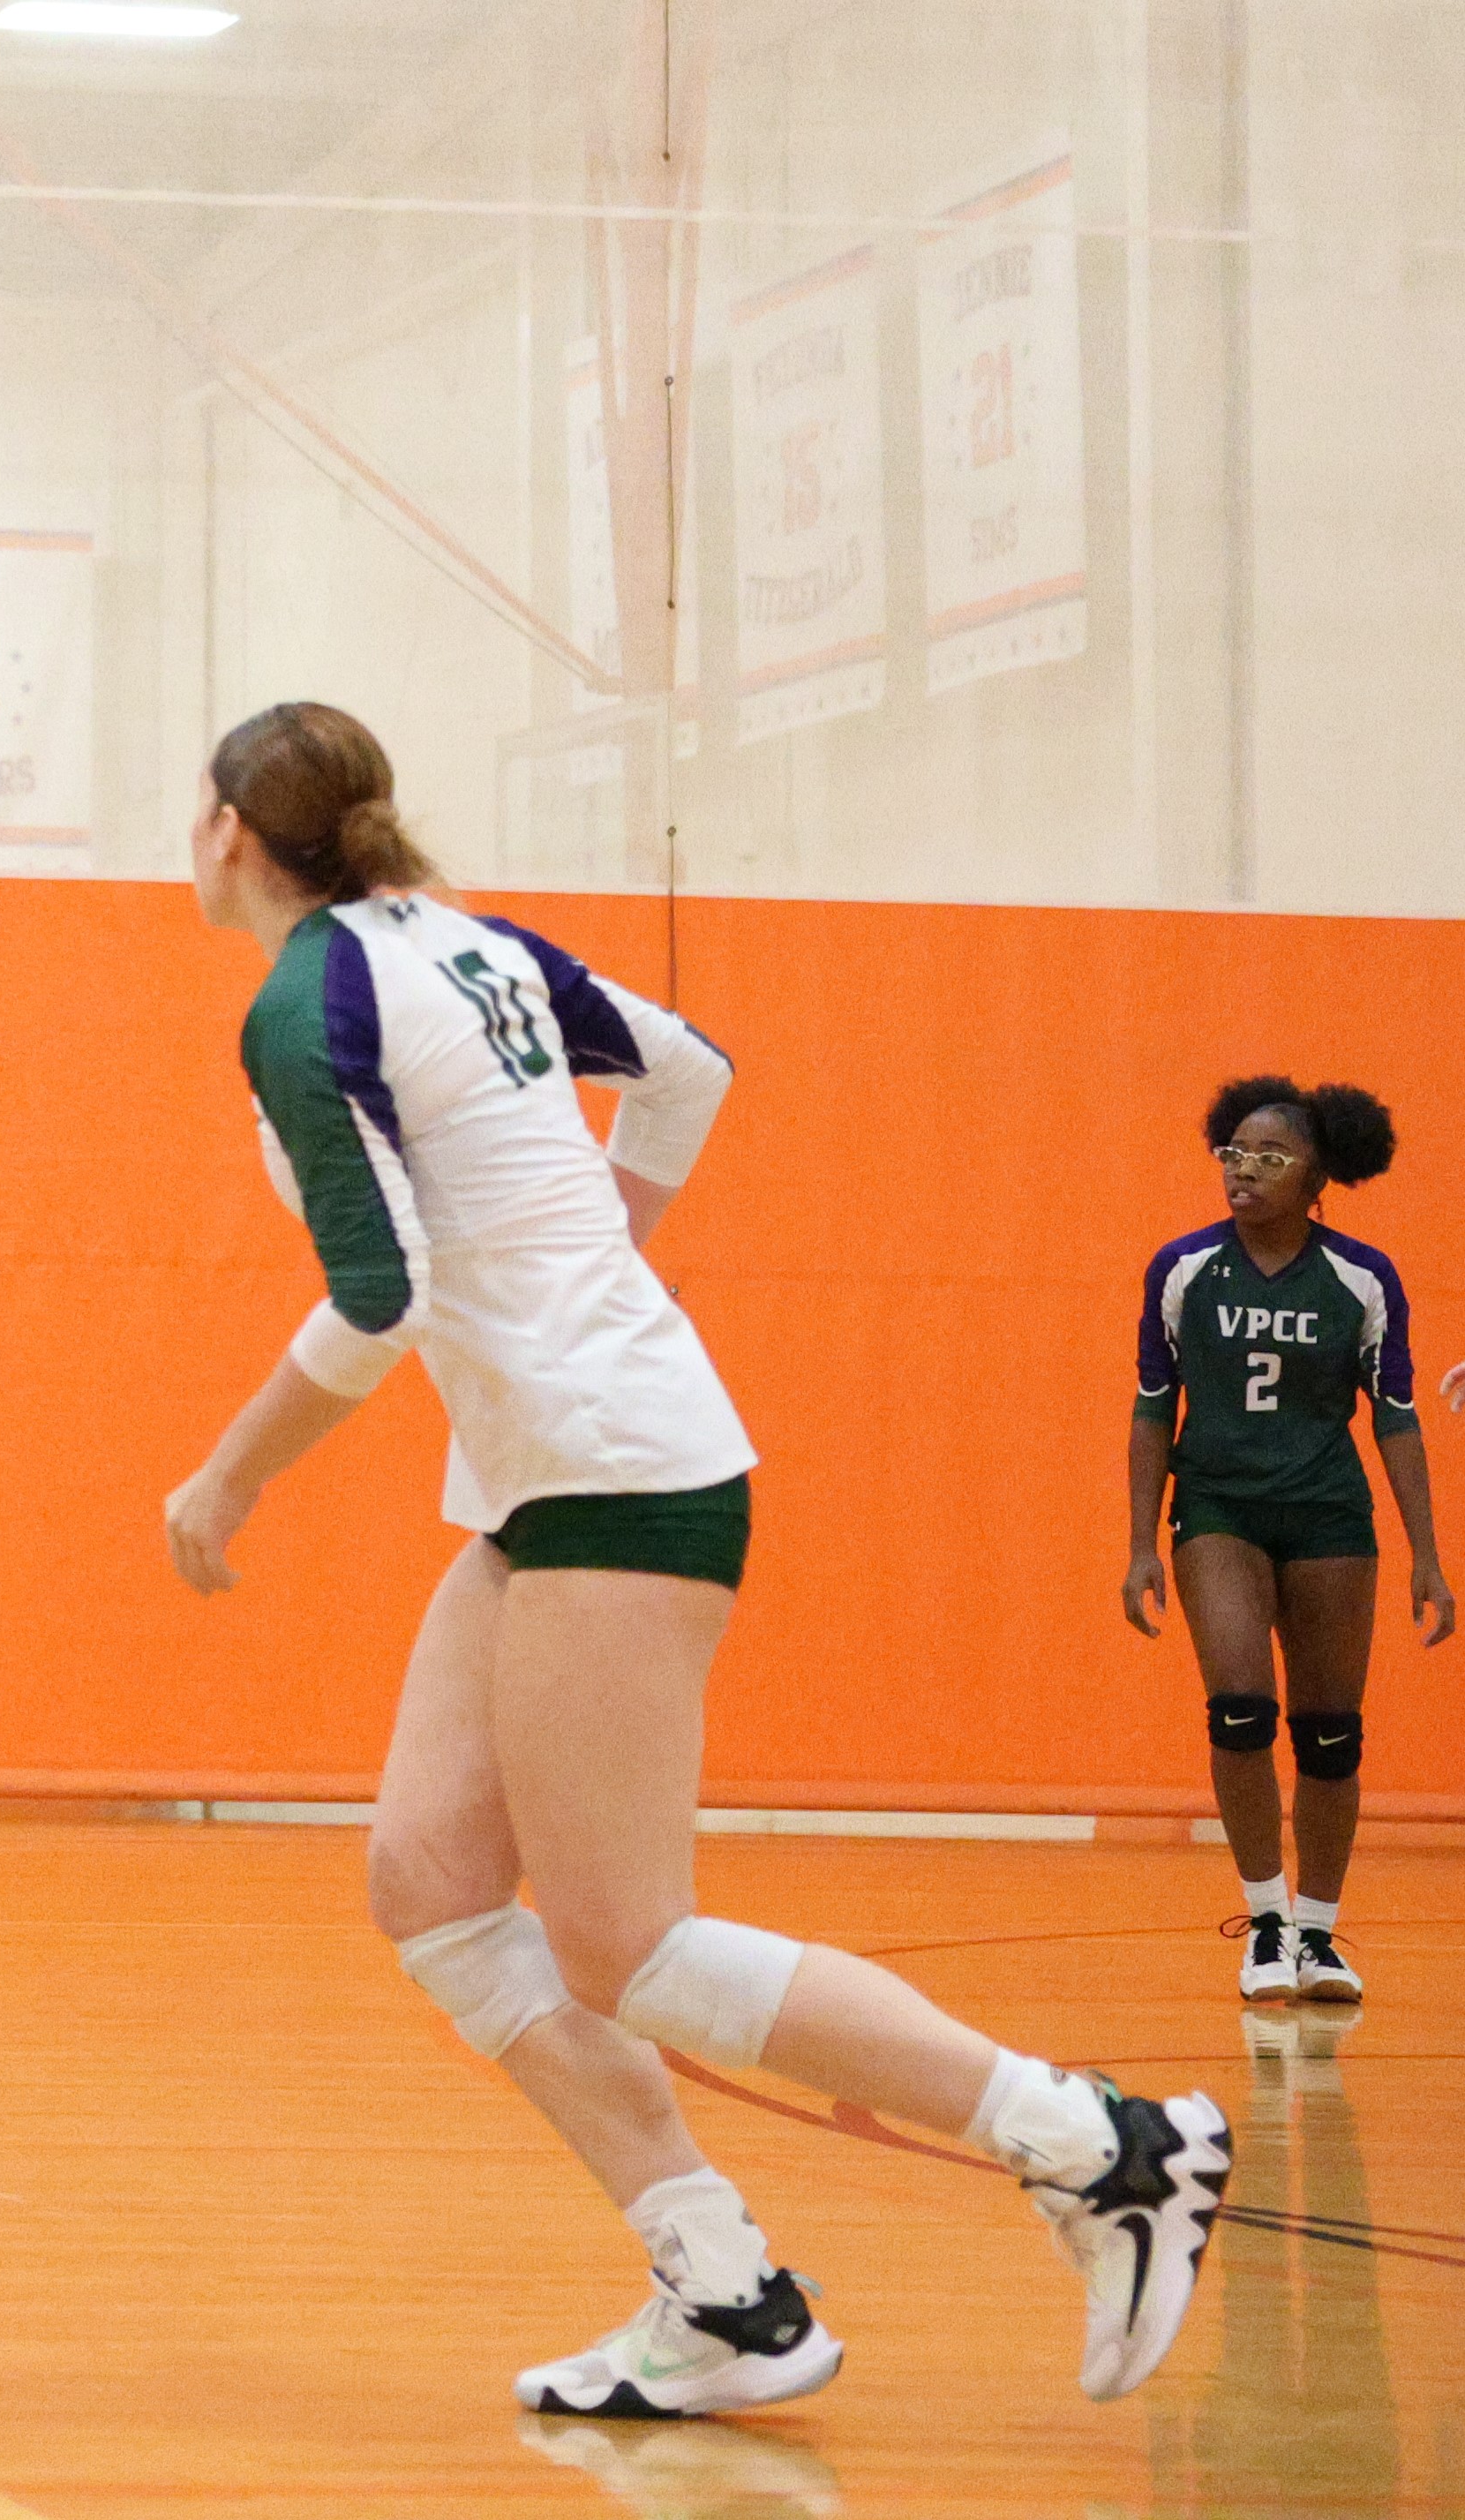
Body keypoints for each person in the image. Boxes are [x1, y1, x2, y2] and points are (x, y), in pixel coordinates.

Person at [159, 700, 1228, 2415]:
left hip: (612, 1473)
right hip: (551, 1470)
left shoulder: (305, 1000)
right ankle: (720, 2286)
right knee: (429, 1889)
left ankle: (1096, 2139)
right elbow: (687, 1063)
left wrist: (221, 1483)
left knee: (626, 1947)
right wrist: (597, 1258)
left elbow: (377, 1296)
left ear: (224, 827)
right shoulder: (461, 940)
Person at [1123, 1078, 1445, 2006]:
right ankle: (1263, 1921)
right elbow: (1152, 1406)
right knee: (1236, 1705)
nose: (1241, 1170)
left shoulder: (1359, 1276)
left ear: (1317, 1177)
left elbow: (1394, 1415)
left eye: (1266, 1156)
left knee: (1330, 1733)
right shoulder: (1182, 1267)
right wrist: (1139, 1541)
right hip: (1217, 1505)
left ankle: (1316, 1931)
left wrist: (1425, 1554)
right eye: (1231, 1152)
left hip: (1327, 1514)